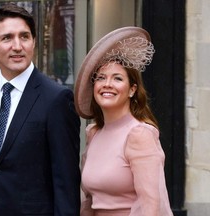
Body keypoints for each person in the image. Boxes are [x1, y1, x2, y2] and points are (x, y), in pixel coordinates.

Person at [0, 3, 81, 216]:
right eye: (7, 38)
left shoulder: (57, 99)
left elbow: (66, 184)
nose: (17, 46)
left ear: (33, 42)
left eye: (24, 37)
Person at [74, 26, 173, 216]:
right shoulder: (94, 134)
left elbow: (150, 205)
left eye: (117, 78)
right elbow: (90, 202)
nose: (107, 84)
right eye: (101, 78)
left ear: (132, 90)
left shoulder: (139, 134)